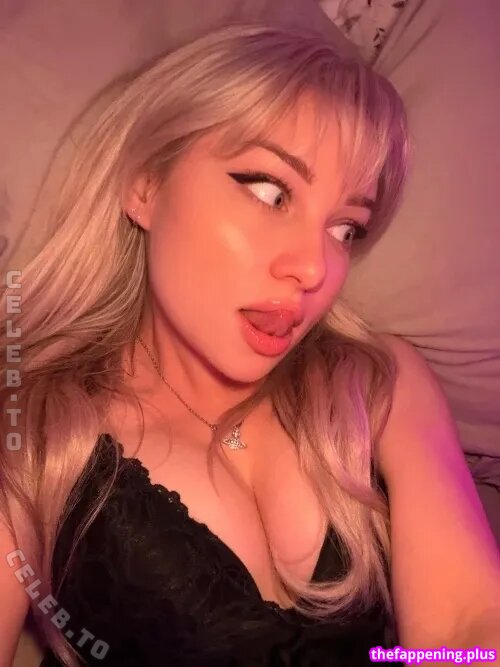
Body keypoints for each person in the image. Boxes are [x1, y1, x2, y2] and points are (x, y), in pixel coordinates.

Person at [1, 22, 500, 667]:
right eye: (269, 191)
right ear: (147, 184)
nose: (314, 268)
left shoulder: (381, 383)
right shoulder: (34, 433)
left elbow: (467, 627)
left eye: (345, 229)